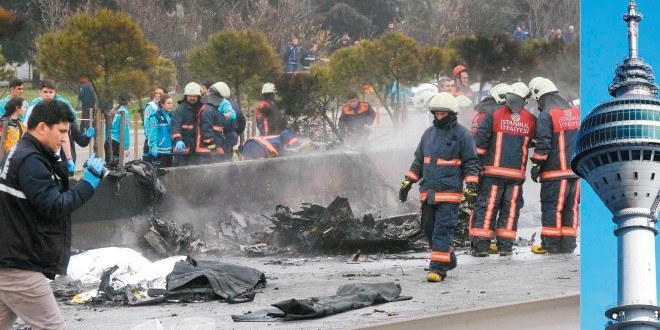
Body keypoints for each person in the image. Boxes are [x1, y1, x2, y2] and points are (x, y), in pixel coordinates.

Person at [0, 99, 104, 330]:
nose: (65, 138)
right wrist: (88, 184)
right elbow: (54, 206)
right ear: (42, 127)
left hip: (9, 261)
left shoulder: (25, 152)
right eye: (61, 131)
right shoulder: (30, 160)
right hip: (20, 267)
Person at [398, 92, 479, 282]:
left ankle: (438, 269)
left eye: (443, 114)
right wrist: (408, 181)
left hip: (449, 194)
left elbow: (471, 163)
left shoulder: (462, 135)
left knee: (443, 230)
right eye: (437, 114)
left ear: (452, 114)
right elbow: (419, 161)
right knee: (428, 229)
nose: (439, 117)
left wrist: (471, 187)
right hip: (428, 193)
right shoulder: (428, 134)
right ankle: (447, 258)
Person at [469, 82, 536, 257]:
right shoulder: (530, 119)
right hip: (516, 176)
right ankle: (505, 247)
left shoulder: (493, 114)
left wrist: (475, 170)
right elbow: (536, 141)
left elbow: (480, 145)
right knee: (511, 210)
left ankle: (481, 247)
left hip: (493, 174)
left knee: (488, 207)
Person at [527, 77, 580, 254]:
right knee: (570, 210)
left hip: (554, 173)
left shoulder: (546, 115)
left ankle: (550, 245)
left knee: (552, 208)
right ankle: (568, 245)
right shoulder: (575, 111)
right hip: (575, 173)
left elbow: (544, 144)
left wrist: (536, 164)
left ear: (538, 95)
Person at [26, 80, 77, 175]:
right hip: (35, 158)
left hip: (54, 159)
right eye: (45, 92)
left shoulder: (62, 111)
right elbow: (26, 134)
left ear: (55, 93)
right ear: (40, 92)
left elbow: (64, 136)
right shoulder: (32, 110)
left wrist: (69, 158)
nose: (48, 95)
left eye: (50, 92)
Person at [171, 82, 203, 166]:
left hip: (197, 151)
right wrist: (178, 140)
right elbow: (175, 126)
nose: (192, 98)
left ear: (198, 96)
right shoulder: (180, 110)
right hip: (183, 151)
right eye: (190, 96)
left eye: (194, 96)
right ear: (185, 96)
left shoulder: (202, 108)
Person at [198, 83, 229, 163]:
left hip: (215, 150)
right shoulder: (208, 110)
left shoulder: (213, 109)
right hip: (208, 153)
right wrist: (213, 150)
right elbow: (206, 133)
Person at [147, 94, 174, 167]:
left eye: (171, 103)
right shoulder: (155, 116)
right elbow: (153, 133)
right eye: (168, 103)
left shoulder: (171, 115)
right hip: (158, 151)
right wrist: (153, 146)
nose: (171, 105)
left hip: (169, 151)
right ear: (162, 104)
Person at [107, 94, 131, 167]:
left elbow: (106, 127)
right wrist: (126, 146)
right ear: (128, 101)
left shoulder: (114, 111)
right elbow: (125, 130)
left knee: (109, 167)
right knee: (116, 168)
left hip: (109, 140)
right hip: (116, 143)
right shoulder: (124, 112)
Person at [142, 87, 164, 160]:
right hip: (151, 140)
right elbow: (147, 123)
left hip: (162, 141)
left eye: (160, 93)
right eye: (156, 93)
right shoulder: (151, 106)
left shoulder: (166, 105)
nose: (157, 95)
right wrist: (149, 138)